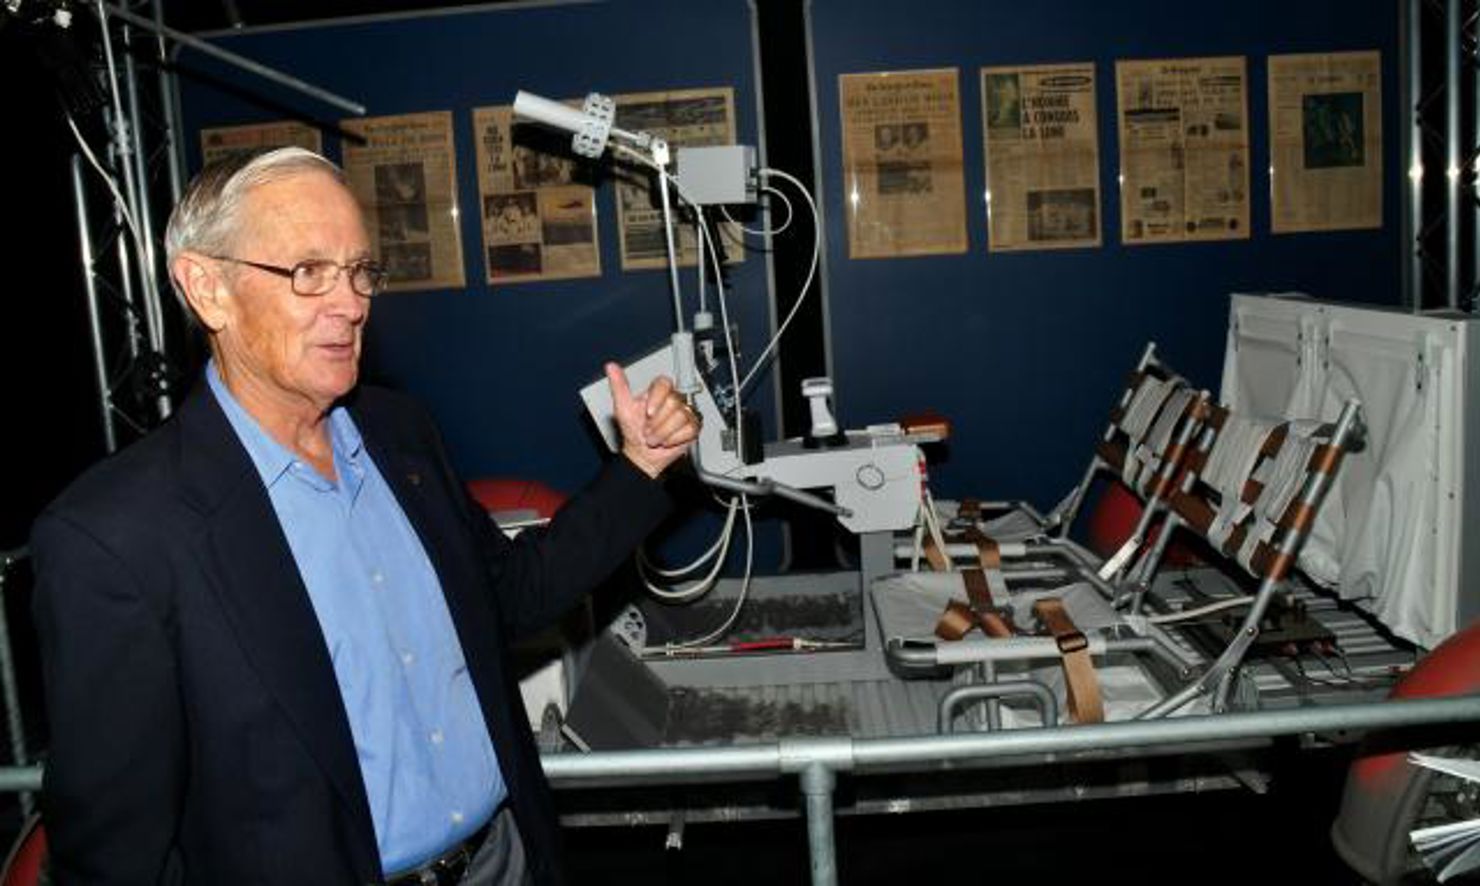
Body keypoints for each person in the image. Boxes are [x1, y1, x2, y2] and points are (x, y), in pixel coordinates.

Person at [30, 146, 700, 885]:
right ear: (206, 288)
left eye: (359, 272)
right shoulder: (117, 536)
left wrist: (639, 466)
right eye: (308, 272)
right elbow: (114, 852)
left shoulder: (398, 433)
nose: (350, 304)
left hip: (504, 861)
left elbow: (509, 596)